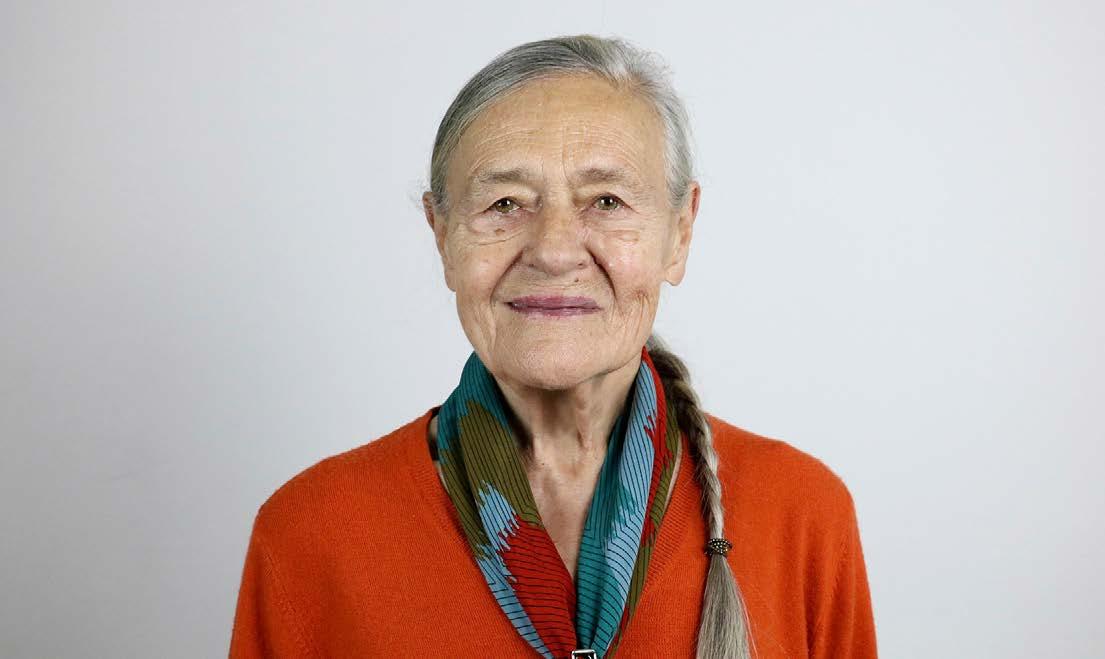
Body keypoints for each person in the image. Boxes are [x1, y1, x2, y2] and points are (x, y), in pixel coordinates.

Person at [229, 34, 877, 658]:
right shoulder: (313, 531)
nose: (554, 250)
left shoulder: (799, 513)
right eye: (505, 203)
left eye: (606, 201)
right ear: (443, 236)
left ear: (679, 233)